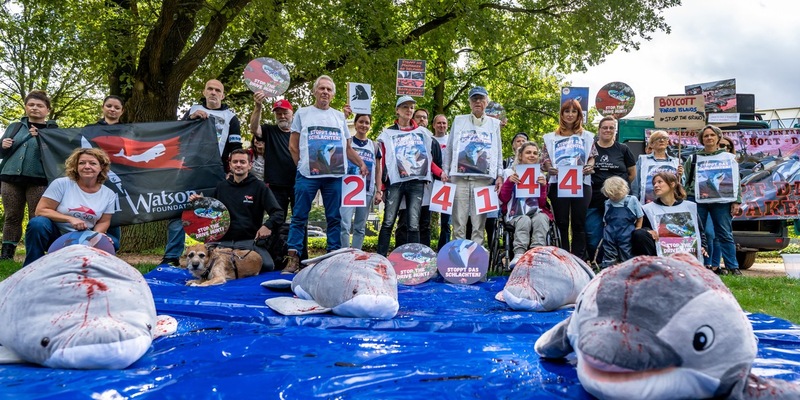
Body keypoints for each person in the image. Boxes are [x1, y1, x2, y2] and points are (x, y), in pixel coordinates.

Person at [283, 75, 367, 273]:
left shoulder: (339, 116)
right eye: (321, 88)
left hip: (334, 177)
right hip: (307, 175)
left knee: (334, 218)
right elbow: (293, 146)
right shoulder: (302, 114)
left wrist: (361, 163)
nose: (325, 92)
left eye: (329, 89)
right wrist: (302, 166)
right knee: (299, 217)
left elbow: (347, 148)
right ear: (315, 91)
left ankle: (332, 258)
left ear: (333, 94)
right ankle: (293, 259)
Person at [162, 79, 243, 266]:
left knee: (215, 213)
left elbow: (236, 146)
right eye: (210, 89)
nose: (213, 92)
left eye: (218, 90)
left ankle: (213, 256)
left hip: (216, 171)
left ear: (223, 95)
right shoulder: (192, 110)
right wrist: (189, 119)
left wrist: (230, 170)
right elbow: (177, 136)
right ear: (204, 92)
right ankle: (171, 257)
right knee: (179, 211)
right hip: (188, 170)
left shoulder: (231, 116)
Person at [188, 149, 285, 270]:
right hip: (222, 242)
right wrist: (199, 202)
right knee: (204, 267)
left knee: (267, 266)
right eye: (235, 162)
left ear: (250, 165)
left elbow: (278, 213)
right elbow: (209, 212)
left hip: (249, 241)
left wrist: (267, 225)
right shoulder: (221, 187)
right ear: (230, 165)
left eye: (242, 162)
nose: (238, 165)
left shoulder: (259, 187)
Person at [23, 148, 116, 266]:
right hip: (56, 235)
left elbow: (104, 221)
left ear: (101, 167)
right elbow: (41, 210)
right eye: (82, 163)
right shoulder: (61, 184)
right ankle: (31, 267)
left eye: (92, 163)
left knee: (114, 243)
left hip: (84, 238)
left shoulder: (109, 194)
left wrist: (97, 235)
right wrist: (70, 218)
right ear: (76, 166)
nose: (87, 166)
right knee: (37, 223)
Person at [377, 96, 440, 256]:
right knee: (388, 222)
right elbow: (382, 161)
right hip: (395, 183)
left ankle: (413, 260)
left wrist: (440, 173)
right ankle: (379, 259)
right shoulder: (388, 133)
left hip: (416, 183)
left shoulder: (423, 133)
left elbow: (428, 159)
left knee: (413, 224)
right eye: (405, 107)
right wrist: (382, 187)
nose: (409, 110)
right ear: (397, 110)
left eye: (411, 107)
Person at [441, 86, 503, 246]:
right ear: (469, 102)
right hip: (459, 178)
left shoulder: (494, 124)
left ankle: (477, 257)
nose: (477, 102)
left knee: (478, 222)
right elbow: (449, 148)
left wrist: (500, 175)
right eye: (474, 99)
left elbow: (498, 150)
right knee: (458, 221)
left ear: (486, 102)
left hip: (483, 179)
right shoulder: (458, 120)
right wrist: (445, 170)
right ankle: (457, 256)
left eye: (481, 99)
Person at [0, 90, 58, 260]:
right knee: (12, 216)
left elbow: (57, 154)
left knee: (37, 216)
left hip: (39, 179)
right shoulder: (14, 127)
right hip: (10, 177)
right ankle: (6, 254)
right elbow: (2, 153)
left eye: (40, 105)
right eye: (31, 105)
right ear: (25, 107)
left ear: (47, 109)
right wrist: (3, 145)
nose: (35, 108)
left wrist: (41, 139)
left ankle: (34, 254)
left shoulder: (53, 129)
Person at [541, 99, 597, 260]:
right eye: (567, 111)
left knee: (579, 223)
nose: (570, 115)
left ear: (579, 114)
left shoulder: (586, 136)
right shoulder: (551, 137)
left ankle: (578, 258)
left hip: (582, 182)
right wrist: (549, 167)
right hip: (558, 182)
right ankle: (563, 258)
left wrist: (589, 166)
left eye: (574, 111)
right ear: (562, 114)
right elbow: (544, 160)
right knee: (562, 222)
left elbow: (592, 157)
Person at [683, 124, 741, 275]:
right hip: (697, 201)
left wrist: (736, 201)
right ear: (701, 139)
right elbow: (684, 180)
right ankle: (697, 265)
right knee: (695, 233)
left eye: (712, 135)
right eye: (705, 136)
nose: (709, 138)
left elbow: (736, 181)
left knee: (724, 234)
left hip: (722, 202)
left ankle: (733, 267)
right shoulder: (693, 157)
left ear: (718, 138)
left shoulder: (729, 158)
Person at [585, 116, 635, 263]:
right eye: (604, 127)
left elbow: (632, 174)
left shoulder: (623, 149)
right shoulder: (590, 149)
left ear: (615, 130)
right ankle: (598, 264)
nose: (608, 130)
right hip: (594, 199)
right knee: (593, 236)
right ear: (598, 130)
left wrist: (617, 190)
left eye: (611, 127)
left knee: (621, 237)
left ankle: (620, 264)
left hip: (619, 202)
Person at [631, 172, 708, 264]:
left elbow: (699, 230)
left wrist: (703, 246)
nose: (656, 185)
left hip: (686, 252)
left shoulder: (689, 206)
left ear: (672, 184)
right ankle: (653, 267)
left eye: (660, 182)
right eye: (654, 183)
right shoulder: (647, 209)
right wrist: (647, 231)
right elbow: (640, 228)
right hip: (659, 252)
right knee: (639, 234)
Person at [498, 142, 552, 267]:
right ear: (520, 155)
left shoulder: (540, 175)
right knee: (524, 220)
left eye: (535, 153)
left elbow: (542, 203)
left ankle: (537, 252)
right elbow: (503, 199)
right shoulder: (508, 173)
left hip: (535, 211)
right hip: (515, 214)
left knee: (542, 218)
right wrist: (509, 183)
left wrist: (543, 187)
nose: (532, 155)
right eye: (528, 152)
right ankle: (519, 254)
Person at [340, 114, 382, 249]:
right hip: (348, 190)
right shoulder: (347, 143)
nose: (364, 125)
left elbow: (378, 170)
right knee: (344, 224)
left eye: (367, 123)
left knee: (360, 226)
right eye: (361, 122)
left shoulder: (374, 146)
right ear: (356, 123)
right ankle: (344, 254)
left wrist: (379, 191)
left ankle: (356, 254)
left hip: (366, 190)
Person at [599, 176, 643, 268]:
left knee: (626, 249)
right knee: (608, 249)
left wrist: (638, 228)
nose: (613, 197)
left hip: (626, 231)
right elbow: (605, 218)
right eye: (610, 195)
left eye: (615, 194)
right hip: (610, 231)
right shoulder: (608, 202)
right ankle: (608, 267)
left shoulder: (631, 200)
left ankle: (627, 267)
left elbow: (640, 216)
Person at [631, 130, 682, 204]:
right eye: (657, 138)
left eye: (664, 138)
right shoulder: (643, 160)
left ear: (667, 142)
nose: (661, 140)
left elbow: (680, 184)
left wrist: (681, 175)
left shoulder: (676, 162)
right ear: (651, 144)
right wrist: (635, 201)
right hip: (647, 204)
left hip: (670, 203)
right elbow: (635, 182)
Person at [431, 114, 451, 250]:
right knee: (427, 218)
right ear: (433, 125)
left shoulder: (451, 140)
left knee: (446, 221)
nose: (441, 126)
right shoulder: (429, 140)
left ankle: (443, 250)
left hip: (447, 184)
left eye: (444, 123)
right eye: (439, 123)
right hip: (432, 182)